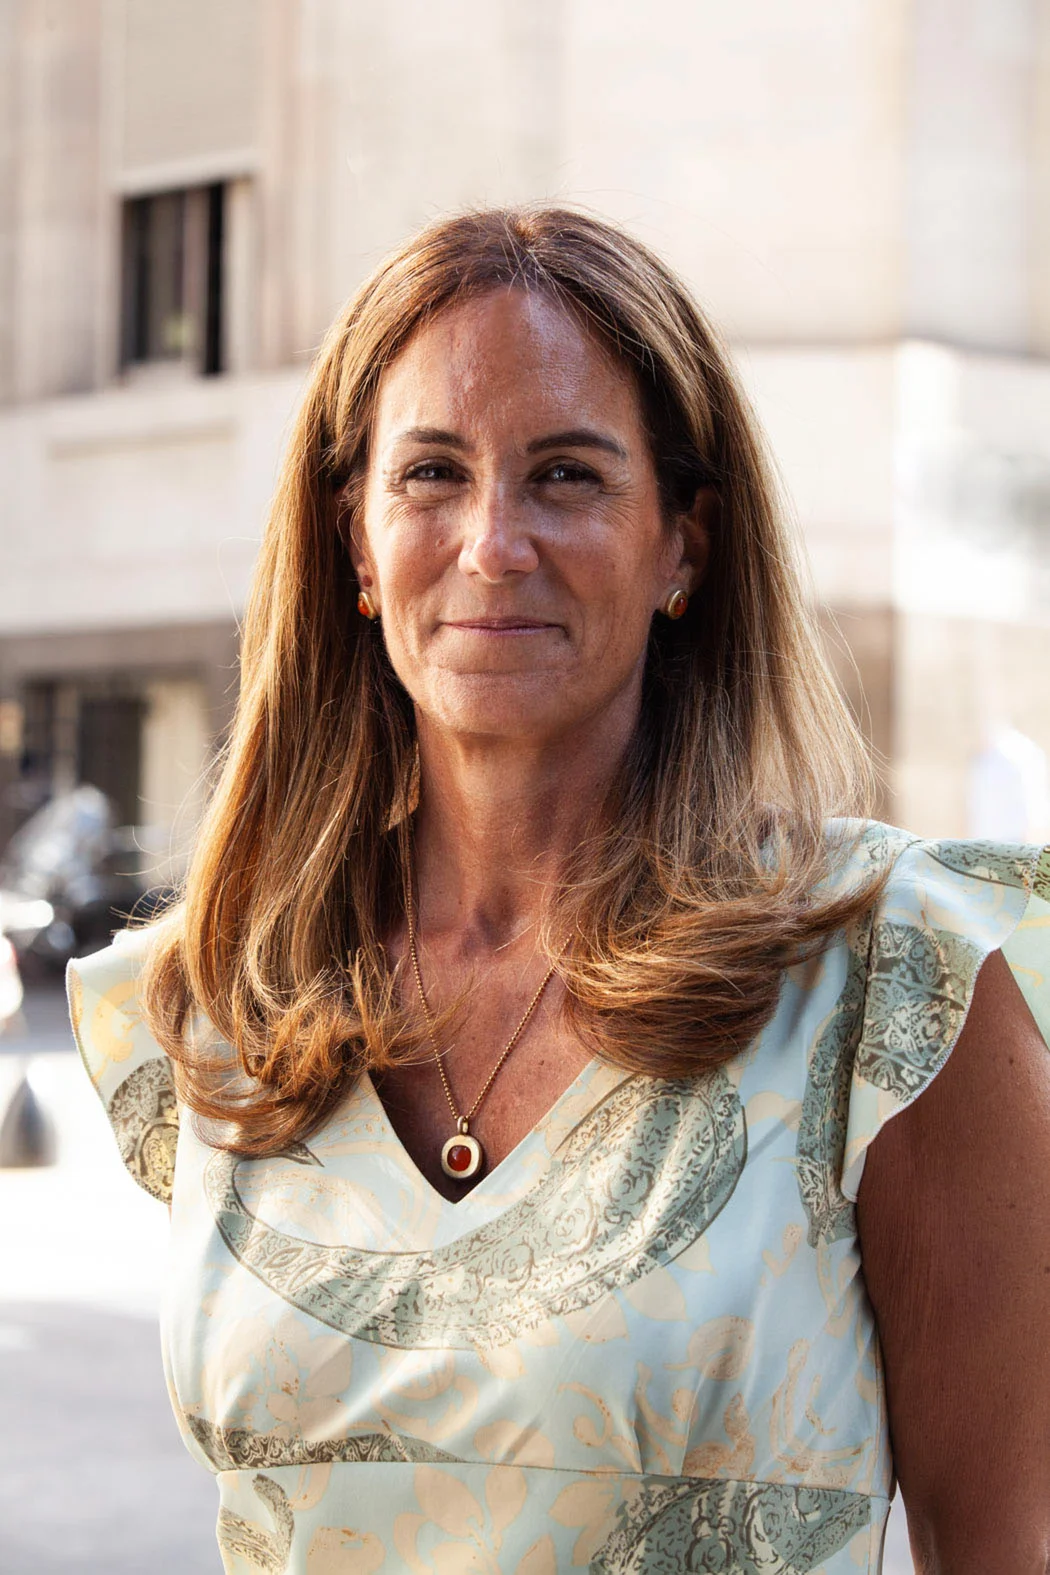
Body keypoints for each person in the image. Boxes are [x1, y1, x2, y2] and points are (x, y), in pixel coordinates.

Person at [69, 206, 1050, 1575]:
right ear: (355, 543)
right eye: (430, 474)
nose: (490, 544)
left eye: (566, 476)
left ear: (683, 548)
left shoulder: (894, 982)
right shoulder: (226, 998)